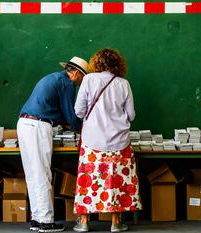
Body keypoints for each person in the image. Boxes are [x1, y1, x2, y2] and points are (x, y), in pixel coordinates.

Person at [73, 48, 142, 232]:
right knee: (115, 180)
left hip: (92, 141)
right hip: (118, 142)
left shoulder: (88, 79)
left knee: (88, 180)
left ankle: (84, 222)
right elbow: (132, 115)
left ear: (96, 63)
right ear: (118, 65)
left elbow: (78, 111)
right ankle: (116, 222)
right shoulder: (123, 84)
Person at [17, 57, 88, 232]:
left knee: (33, 174)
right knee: (42, 174)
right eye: (83, 79)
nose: (81, 84)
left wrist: (65, 122)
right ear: (77, 74)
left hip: (24, 123)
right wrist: (82, 129)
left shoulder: (53, 77)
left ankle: (37, 219)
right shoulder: (67, 84)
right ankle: (47, 222)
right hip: (39, 126)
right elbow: (70, 114)